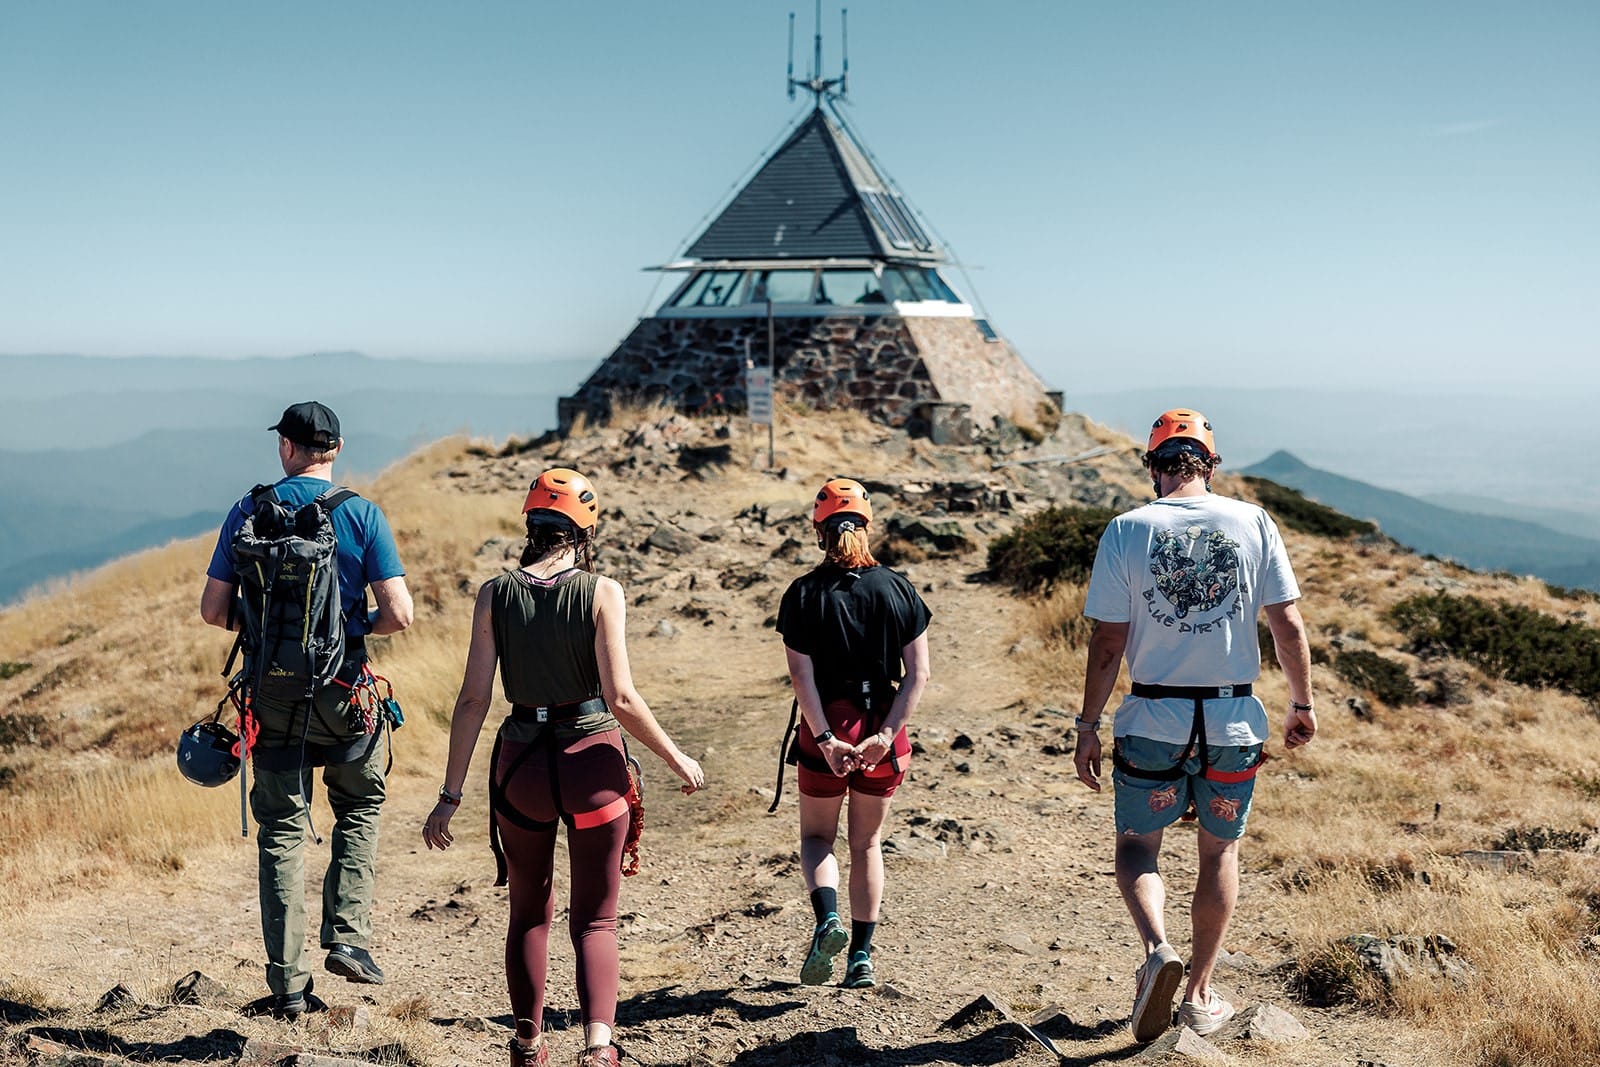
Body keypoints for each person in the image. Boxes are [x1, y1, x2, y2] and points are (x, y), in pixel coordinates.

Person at [424, 468, 704, 1067]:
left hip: (520, 764)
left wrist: (450, 795)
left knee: (528, 910)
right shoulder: (603, 592)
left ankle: (528, 1045)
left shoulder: (494, 594)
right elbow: (621, 697)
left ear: (531, 525)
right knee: (597, 920)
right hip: (592, 761)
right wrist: (676, 756)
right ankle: (599, 1048)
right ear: (586, 529)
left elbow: (473, 699)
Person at [1072, 408, 1315, 1043]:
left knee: (1136, 845)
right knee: (1220, 850)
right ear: (1210, 464)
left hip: (1153, 714)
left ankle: (1157, 951)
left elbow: (1107, 641)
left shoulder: (1127, 530)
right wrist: (1301, 703)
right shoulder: (1253, 521)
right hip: (1233, 720)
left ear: (1153, 466)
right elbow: (1286, 625)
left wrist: (1088, 723)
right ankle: (1201, 994)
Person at [200, 400, 414, 1019]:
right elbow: (399, 614)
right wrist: (349, 633)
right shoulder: (362, 515)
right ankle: (348, 938)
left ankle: (288, 985)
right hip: (346, 694)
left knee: (283, 831)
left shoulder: (248, 510)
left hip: (271, 697)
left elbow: (214, 611)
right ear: (337, 450)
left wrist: (267, 636)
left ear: (285, 447)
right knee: (360, 804)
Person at [775, 478, 931, 989]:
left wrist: (824, 739)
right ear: (868, 527)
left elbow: (801, 677)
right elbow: (919, 674)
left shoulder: (802, 593)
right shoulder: (899, 587)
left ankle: (828, 920)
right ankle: (860, 957)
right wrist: (886, 736)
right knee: (866, 843)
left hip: (830, 725)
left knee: (818, 837)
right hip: (882, 729)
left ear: (818, 531)